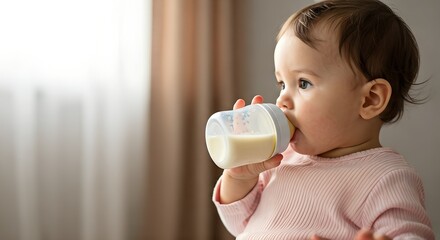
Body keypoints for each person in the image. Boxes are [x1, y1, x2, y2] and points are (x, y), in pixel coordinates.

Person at [211, 0, 435, 239]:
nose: (281, 100)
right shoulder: (280, 159)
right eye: (282, 84)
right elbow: (239, 224)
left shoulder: (385, 177)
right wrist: (239, 177)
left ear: (370, 99)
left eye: (303, 83)